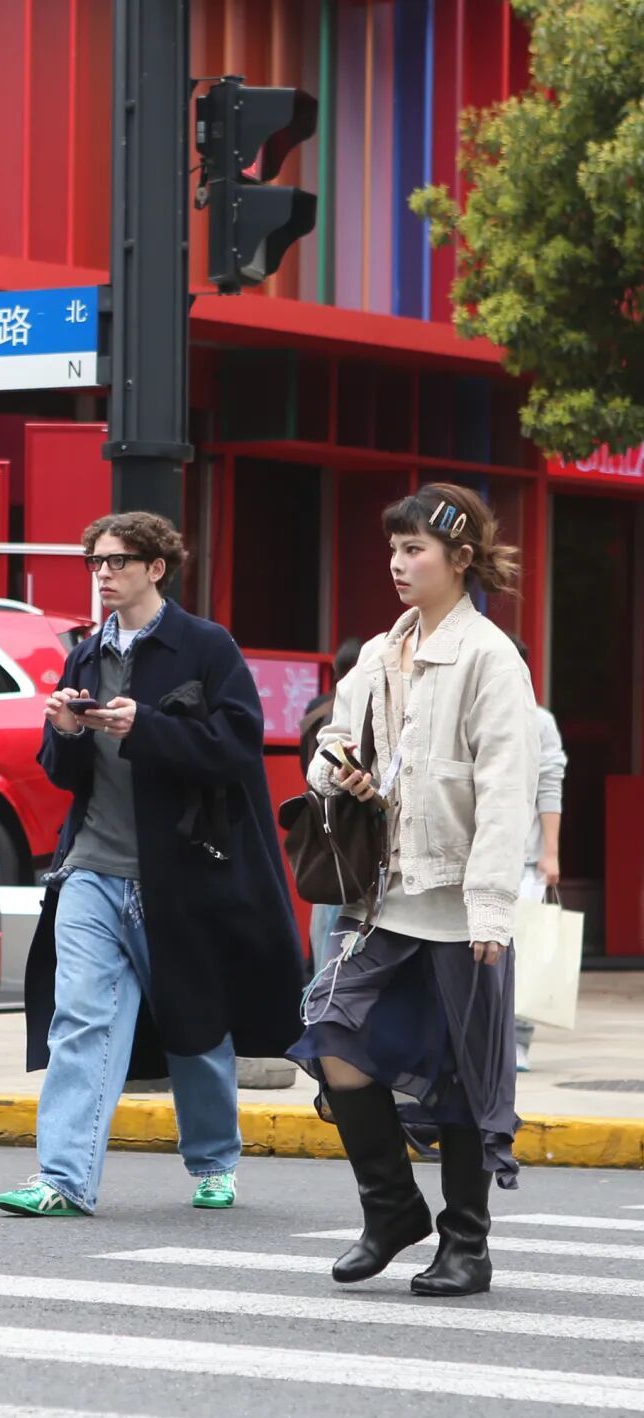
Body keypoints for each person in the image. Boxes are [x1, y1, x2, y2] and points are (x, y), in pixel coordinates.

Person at [0, 511, 305, 1217]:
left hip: (182, 876)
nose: (104, 574)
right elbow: (64, 774)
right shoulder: (84, 655)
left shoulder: (205, 646)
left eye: (119, 561)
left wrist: (148, 727)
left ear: (156, 568)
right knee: (80, 1020)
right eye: (96, 562)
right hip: (91, 866)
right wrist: (65, 731)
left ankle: (214, 1161)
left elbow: (237, 749)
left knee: (196, 1027)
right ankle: (63, 1179)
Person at [289, 482, 538, 1298]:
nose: (396, 564)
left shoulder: (490, 658)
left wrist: (493, 909)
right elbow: (331, 744)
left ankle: (466, 1245)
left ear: (459, 559)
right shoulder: (377, 654)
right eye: (393, 549)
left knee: (464, 1073)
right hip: (381, 900)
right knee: (330, 1033)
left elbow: (506, 789)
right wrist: (341, 773)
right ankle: (393, 1209)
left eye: (413, 550)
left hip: (461, 905)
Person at [508, 633, 568, 1073]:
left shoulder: (539, 721)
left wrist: (551, 853)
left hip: (524, 859)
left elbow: (550, 784)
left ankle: (517, 1042)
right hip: (470, 859)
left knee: (524, 955)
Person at [298, 636, 362, 976]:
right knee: (340, 928)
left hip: (320, 830)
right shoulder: (351, 716)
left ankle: (317, 990)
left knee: (322, 927)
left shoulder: (316, 710)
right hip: (350, 833)